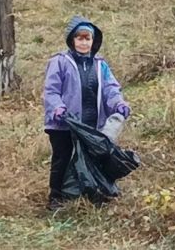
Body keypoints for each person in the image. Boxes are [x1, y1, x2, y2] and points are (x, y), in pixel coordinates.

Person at [43, 15, 131, 207]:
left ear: (94, 41)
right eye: (80, 38)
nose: (84, 42)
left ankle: (90, 193)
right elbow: (51, 91)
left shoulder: (100, 64)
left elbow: (110, 89)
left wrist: (119, 104)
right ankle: (56, 196)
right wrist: (58, 108)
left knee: (92, 159)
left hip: (91, 124)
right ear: (72, 40)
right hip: (63, 124)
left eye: (87, 38)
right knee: (63, 159)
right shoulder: (60, 62)